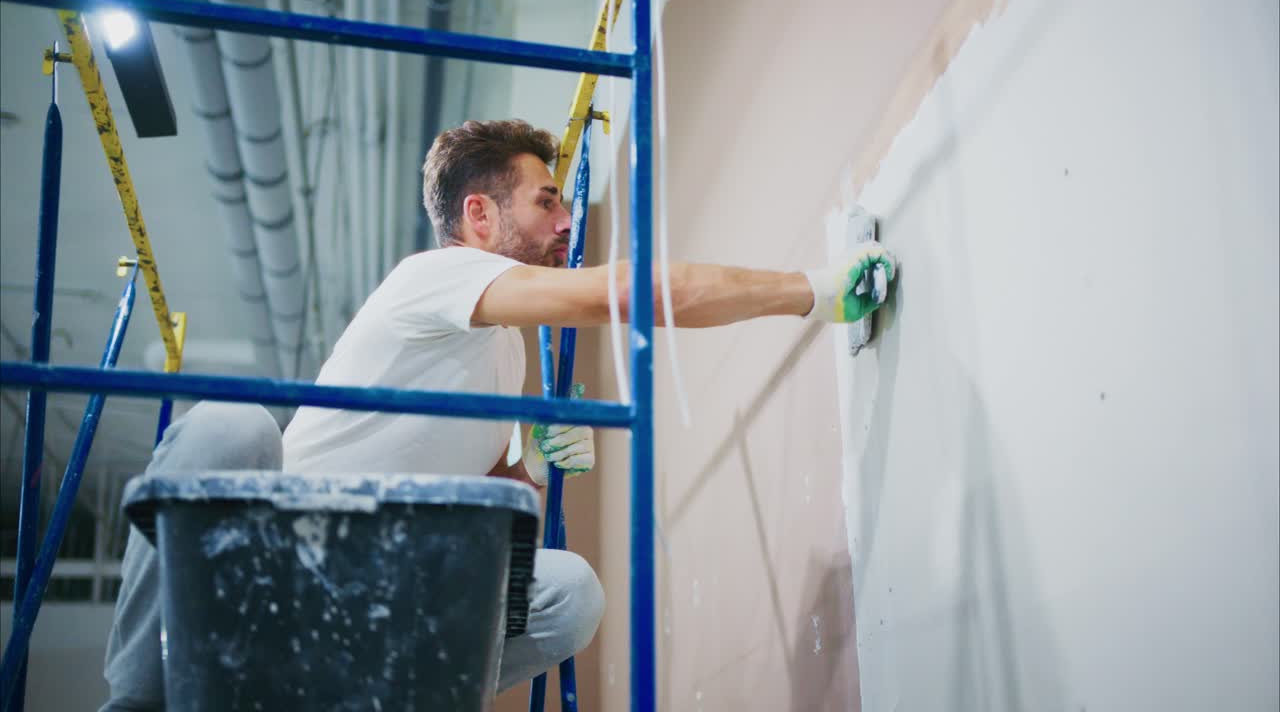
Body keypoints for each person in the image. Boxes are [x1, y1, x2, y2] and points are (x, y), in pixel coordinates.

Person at [101, 119, 895, 709]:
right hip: (260, 572)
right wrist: (814, 291)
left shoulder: (508, 354)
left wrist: (535, 463)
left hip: (358, 610)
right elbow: (640, 293)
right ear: (479, 217)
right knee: (229, 425)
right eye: (546, 201)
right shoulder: (434, 278)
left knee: (569, 591)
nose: (565, 223)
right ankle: (135, 699)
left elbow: (496, 536)